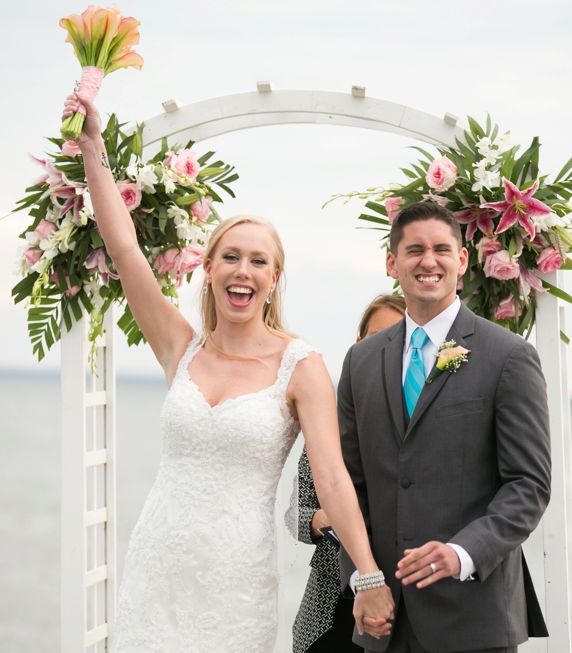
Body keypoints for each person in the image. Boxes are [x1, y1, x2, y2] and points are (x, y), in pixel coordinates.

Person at [61, 92, 394, 653]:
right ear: (208, 268)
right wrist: (92, 147)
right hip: (158, 564)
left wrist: (368, 575)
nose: (244, 271)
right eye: (232, 256)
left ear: (275, 278)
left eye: (258, 261)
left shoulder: (301, 365)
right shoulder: (179, 347)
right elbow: (123, 249)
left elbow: (333, 481)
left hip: (235, 581)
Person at [338, 202, 552, 652]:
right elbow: (349, 485)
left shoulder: (507, 356)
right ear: (392, 263)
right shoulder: (360, 361)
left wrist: (461, 554)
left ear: (462, 260)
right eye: (414, 250)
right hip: (384, 621)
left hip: (474, 620)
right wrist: (362, 578)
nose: (428, 261)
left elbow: (528, 485)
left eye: (441, 249)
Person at [289, 294, 407, 653]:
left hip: (399, 609)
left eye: (397, 339)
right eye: (374, 338)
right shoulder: (329, 427)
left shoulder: (424, 429)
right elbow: (294, 515)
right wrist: (324, 520)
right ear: (358, 345)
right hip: (329, 610)